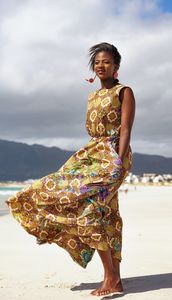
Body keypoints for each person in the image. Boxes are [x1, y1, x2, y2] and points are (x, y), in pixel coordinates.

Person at [5, 42, 136, 297]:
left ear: (116, 66)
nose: (101, 65)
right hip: (91, 154)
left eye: (107, 61)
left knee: (90, 212)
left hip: (112, 156)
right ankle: (114, 278)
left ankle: (111, 278)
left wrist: (118, 164)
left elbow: (126, 130)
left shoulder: (124, 92)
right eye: (97, 62)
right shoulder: (93, 96)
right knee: (100, 211)